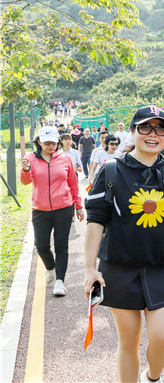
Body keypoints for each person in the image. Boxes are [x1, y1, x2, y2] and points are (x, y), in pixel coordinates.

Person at [84, 106, 164, 383]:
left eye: (161, 129)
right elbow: (95, 221)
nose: (153, 134)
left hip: (160, 265)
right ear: (133, 132)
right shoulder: (111, 170)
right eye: (145, 127)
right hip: (119, 268)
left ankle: (152, 376)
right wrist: (89, 268)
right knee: (128, 341)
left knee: (162, 337)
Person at [21, 126, 85, 296]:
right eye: (47, 142)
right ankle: (50, 268)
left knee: (61, 245)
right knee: (41, 245)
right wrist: (26, 170)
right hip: (40, 209)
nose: (50, 146)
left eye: (54, 143)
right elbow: (25, 182)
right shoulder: (30, 158)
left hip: (64, 208)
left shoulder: (65, 159)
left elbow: (73, 184)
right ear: (39, 142)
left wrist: (78, 206)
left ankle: (60, 281)